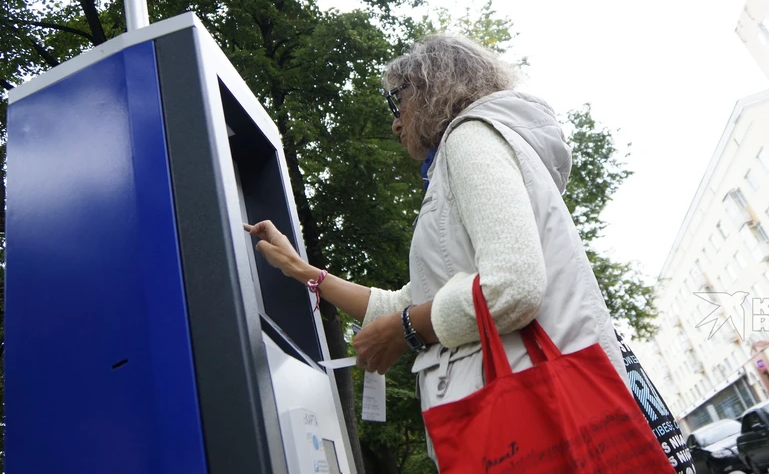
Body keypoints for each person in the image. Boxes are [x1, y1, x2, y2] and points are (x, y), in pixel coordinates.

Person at [245, 35, 631, 463]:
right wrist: (301, 270)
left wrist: (405, 329)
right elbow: (409, 300)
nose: (395, 122)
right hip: (548, 420)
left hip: (536, 427)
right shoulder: (469, 154)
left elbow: (513, 287)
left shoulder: (470, 139)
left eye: (397, 101)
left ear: (431, 87)